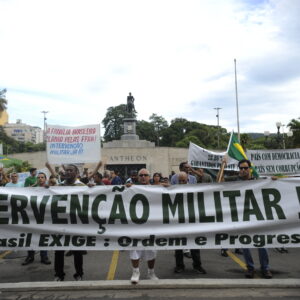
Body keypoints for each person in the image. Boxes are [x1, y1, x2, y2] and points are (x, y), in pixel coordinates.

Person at [223, 159, 272, 279]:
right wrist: (222, 165)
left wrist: (274, 179)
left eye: (245, 168)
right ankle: (250, 268)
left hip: (258, 218)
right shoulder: (234, 181)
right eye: (241, 168)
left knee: (262, 245)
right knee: (245, 246)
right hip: (243, 218)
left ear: (250, 168)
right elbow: (219, 182)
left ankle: (265, 268)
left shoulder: (258, 180)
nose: (243, 170)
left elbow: (271, 182)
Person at [54, 164, 86, 281]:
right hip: (61, 224)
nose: (67, 172)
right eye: (66, 170)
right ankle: (59, 274)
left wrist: (92, 188)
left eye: (70, 170)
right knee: (59, 250)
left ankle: (79, 273)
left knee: (77, 250)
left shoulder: (82, 186)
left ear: (76, 173)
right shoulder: (58, 187)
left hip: (76, 224)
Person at [128, 168, 158, 284]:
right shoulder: (131, 189)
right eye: (141, 175)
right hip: (136, 225)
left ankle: (151, 272)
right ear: (138, 177)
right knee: (134, 248)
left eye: (146, 175)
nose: (143, 177)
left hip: (151, 225)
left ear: (149, 177)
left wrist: (167, 186)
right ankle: (135, 272)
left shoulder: (156, 189)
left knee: (152, 250)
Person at [173, 172, 207, 275]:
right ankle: (179, 266)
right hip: (179, 222)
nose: (182, 182)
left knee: (194, 244)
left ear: (187, 180)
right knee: (178, 245)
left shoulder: (194, 189)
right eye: (180, 181)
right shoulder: (173, 190)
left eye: (184, 180)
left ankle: (197, 265)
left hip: (192, 221)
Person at [22, 172, 51, 266]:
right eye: (38, 177)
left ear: (45, 179)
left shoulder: (50, 189)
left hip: (44, 217)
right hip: (32, 217)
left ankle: (44, 256)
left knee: (43, 237)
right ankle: (30, 256)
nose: (40, 179)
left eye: (42, 177)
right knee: (30, 236)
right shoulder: (31, 189)